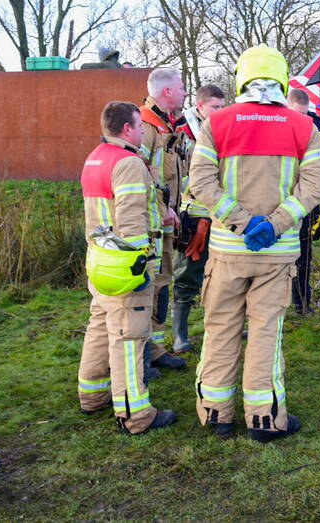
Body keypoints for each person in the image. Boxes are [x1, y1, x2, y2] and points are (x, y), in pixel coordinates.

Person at [188, 45, 320, 442]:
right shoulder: (303, 126)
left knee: (220, 329)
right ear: (282, 79)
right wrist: (274, 223)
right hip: (278, 251)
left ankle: (216, 414)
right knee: (267, 331)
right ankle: (264, 419)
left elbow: (200, 183)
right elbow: (314, 185)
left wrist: (241, 222)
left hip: (228, 249)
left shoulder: (216, 123)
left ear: (241, 78)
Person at [77, 101, 177, 434]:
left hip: (98, 260)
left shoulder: (95, 158)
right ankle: (135, 415)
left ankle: (92, 395)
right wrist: (141, 267)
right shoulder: (129, 163)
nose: (142, 132)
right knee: (130, 337)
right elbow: (132, 219)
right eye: (139, 126)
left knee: (100, 325)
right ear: (127, 129)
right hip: (125, 266)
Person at [138, 68, 188, 377]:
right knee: (152, 286)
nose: (185, 92)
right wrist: (162, 209)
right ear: (166, 92)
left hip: (166, 218)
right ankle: (144, 353)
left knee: (163, 282)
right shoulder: (146, 126)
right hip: (151, 222)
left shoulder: (171, 125)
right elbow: (139, 173)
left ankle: (155, 349)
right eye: (181, 87)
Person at [172, 83, 226, 352]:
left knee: (223, 276)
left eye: (222, 106)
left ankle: (222, 329)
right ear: (201, 105)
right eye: (215, 107)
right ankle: (179, 335)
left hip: (223, 216)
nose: (220, 111)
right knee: (187, 275)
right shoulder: (184, 133)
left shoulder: (224, 131)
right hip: (194, 215)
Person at [286, 87, 320, 314]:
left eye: (304, 114)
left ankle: (303, 304)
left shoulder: (317, 126)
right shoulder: (277, 123)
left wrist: (316, 209)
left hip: (305, 198)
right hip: (279, 198)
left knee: (304, 255)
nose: (301, 119)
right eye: (297, 113)